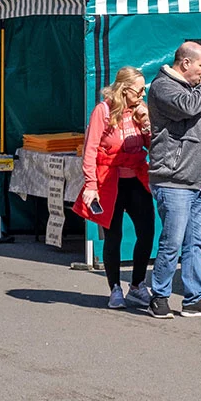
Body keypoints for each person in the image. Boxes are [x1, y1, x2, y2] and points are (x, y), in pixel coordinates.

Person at [146, 42, 201, 319]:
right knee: (172, 241)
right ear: (185, 64)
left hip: (200, 180)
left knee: (196, 242)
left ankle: (195, 297)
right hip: (174, 180)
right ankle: (159, 295)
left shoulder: (193, 88)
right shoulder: (163, 87)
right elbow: (188, 108)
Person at [76, 67, 155, 309]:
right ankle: (114, 288)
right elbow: (90, 149)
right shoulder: (104, 110)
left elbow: (153, 146)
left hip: (136, 177)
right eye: (139, 90)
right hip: (110, 178)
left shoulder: (139, 111)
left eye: (144, 89)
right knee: (114, 235)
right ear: (124, 89)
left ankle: (138, 284)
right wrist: (91, 184)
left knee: (147, 231)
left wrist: (147, 125)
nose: (142, 94)